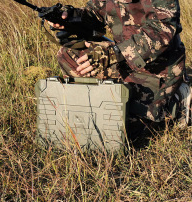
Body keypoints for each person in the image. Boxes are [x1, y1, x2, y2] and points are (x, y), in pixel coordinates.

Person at [48, 0, 191, 141]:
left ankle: (177, 101)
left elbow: (162, 32)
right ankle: (101, 97)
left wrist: (113, 53)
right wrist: (69, 17)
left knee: (122, 131)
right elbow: (93, 15)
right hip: (122, 61)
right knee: (67, 54)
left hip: (159, 68)